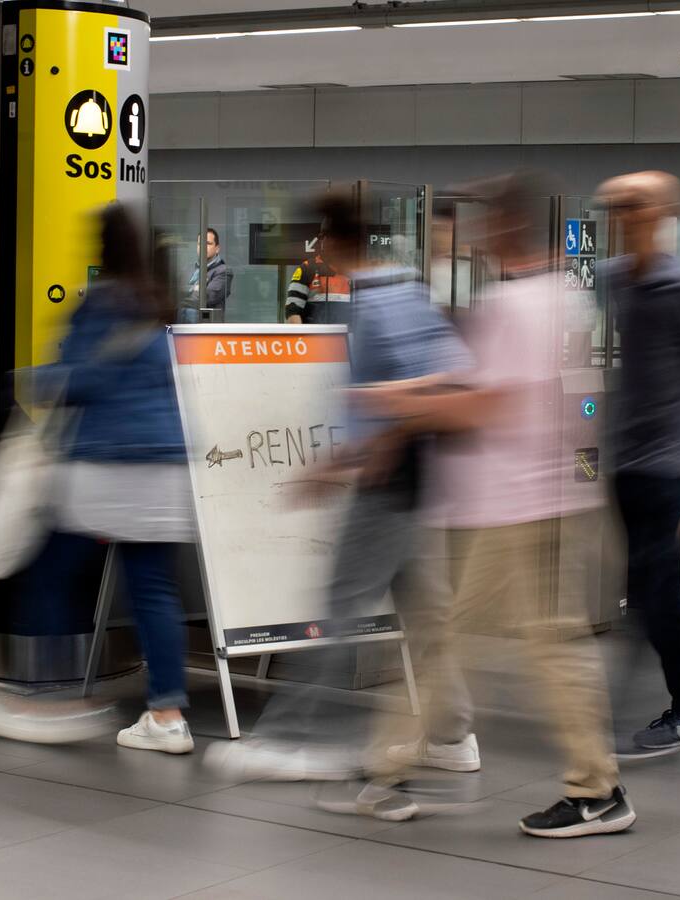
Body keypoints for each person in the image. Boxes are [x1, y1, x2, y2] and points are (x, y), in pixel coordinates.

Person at [354, 172, 634, 838]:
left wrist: (398, 406)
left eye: (482, 223)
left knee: (496, 639)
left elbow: (486, 403)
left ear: (505, 226)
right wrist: (422, 393)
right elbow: (490, 383)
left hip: (520, 507)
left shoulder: (512, 305)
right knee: (525, 640)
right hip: (548, 497)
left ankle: (389, 767)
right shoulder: (564, 295)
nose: (475, 236)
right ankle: (395, 764)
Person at [205, 193, 471, 820]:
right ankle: (453, 735)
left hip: (386, 484)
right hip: (417, 485)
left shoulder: (377, 306)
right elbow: (453, 370)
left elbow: (426, 389)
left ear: (335, 242)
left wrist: (368, 445)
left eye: (322, 239)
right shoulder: (410, 291)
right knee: (427, 612)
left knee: (338, 608)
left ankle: (293, 736)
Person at [0, 204, 196, 754]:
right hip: (167, 467)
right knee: (153, 589)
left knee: (49, 574)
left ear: (103, 249)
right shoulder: (161, 307)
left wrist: (27, 379)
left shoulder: (101, 303)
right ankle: (167, 716)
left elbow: (83, 377)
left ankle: (47, 701)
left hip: (106, 466)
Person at [596, 171, 680, 756]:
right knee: (644, 591)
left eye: (636, 205)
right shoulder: (614, 277)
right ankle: (674, 697)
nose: (625, 215)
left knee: (661, 590)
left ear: (665, 211)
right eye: (618, 206)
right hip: (627, 461)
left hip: (671, 464)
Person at [285, 224, 352, 325]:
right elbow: (293, 311)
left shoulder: (354, 271)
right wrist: (304, 335)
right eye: (330, 238)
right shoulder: (307, 268)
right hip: (315, 334)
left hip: (347, 334)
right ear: (321, 239)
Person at [183, 227, 232, 323]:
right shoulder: (188, 269)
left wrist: (185, 294)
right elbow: (175, 293)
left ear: (217, 249)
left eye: (208, 243)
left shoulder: (224, 271)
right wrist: (194, 289)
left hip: (206, 328)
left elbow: (208, 297)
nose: (203, 247)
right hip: (182, 324)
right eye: (199, 244)